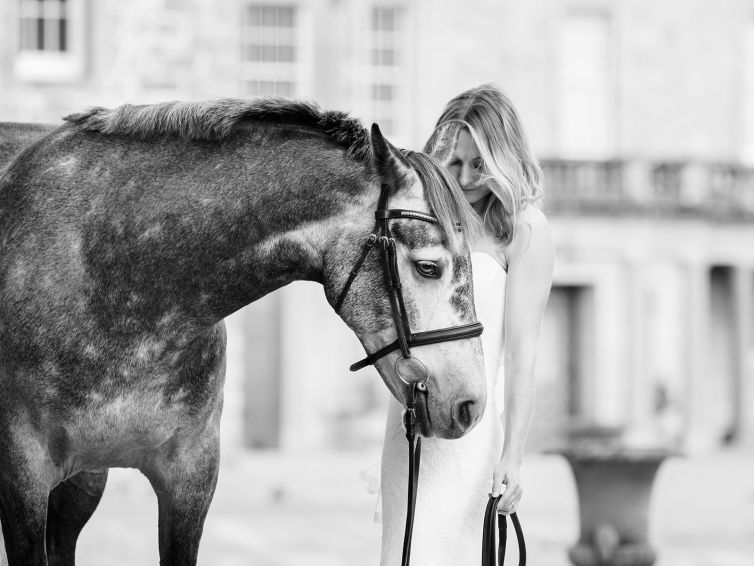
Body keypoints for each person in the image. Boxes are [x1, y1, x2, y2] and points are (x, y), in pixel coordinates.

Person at [378, 84, 554, 565]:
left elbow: (522, 354)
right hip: (410, 422)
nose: (466, 176)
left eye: (480, 163)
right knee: (402, 552)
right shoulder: (428, 219)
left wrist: (513, 457)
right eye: (454, 162)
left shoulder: (525, 230)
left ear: (505, 158)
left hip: (471, 424)